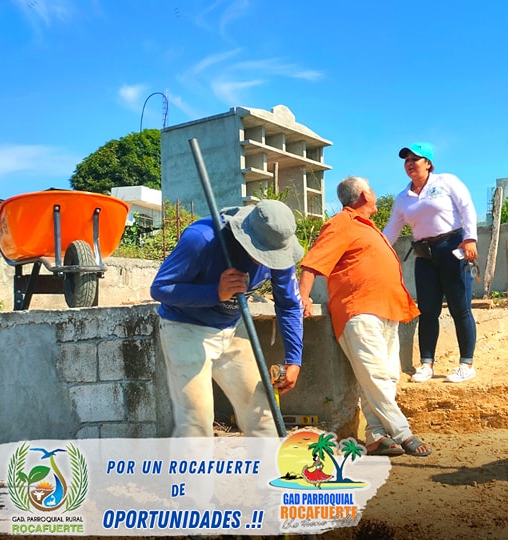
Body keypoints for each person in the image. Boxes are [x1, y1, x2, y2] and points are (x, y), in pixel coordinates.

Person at [298, 176, 432, 457]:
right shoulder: (341, 223)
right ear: (362, 196)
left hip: (387, 310)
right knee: (375, 376)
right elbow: (313, 262)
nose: (374, 193)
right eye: (371, 189)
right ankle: (402, 433)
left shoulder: (367, 227)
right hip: (359, 310)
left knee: (387, 376)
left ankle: (376, 437)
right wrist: (303, 296)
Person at [151, 199, 304, 437]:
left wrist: (294, 360)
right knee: (197, 420)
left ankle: (269, 462)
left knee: (262, 412)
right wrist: (215, 292)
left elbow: (289, 304)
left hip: (233, 326)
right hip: (185, 328)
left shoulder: (278, 247)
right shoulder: (202, 239)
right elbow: (160, 288)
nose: (268, 261)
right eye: (262, 254)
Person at [383, 142, 479, 384]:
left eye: (415, 159)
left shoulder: (446, 181)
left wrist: (470, 238)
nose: (409, 164)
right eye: (406, 160)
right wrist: (374, 249)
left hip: (453, 247)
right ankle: (426, 364)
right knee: (427, 311)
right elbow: (391, 229)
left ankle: (466, 364)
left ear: (428, 163)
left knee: (460, 308)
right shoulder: (403, 198)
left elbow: (467, 208)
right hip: (425, 254)